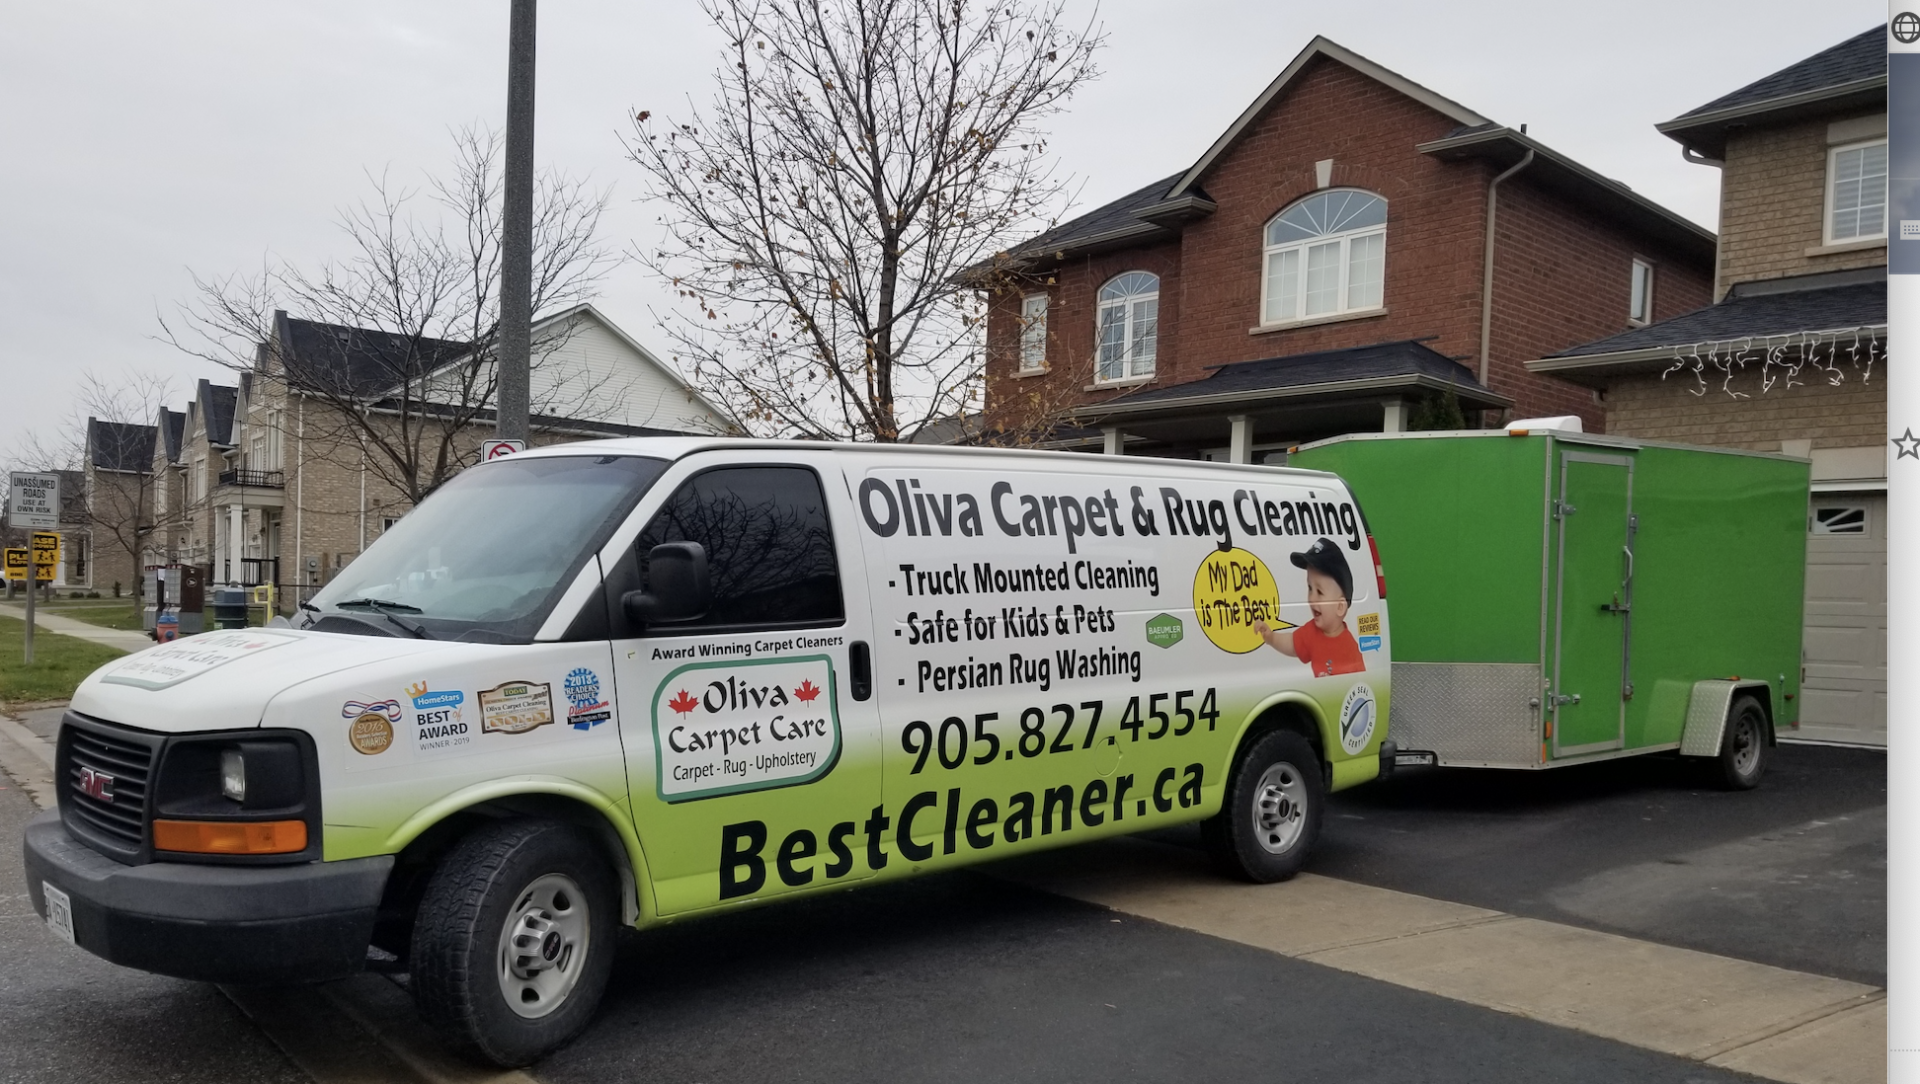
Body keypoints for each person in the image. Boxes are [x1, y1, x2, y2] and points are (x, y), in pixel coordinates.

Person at [1253, 537, 1365, 676]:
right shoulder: (1312, 632)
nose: (1312, 598)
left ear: (1340, 607)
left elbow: (1360, 686)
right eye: (1310, 588)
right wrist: (1271, 638)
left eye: (1319, 591)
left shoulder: (1349, 649)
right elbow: (1292, 644)